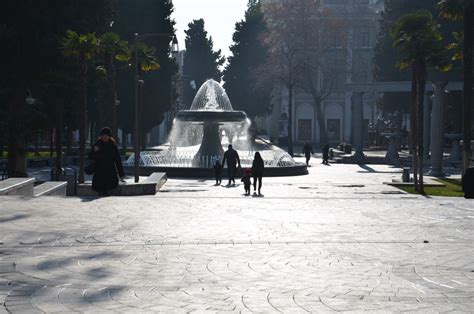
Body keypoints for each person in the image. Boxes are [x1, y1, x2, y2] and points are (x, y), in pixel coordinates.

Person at [88, 127, 125, 196]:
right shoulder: (97, 145)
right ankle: (101, 192)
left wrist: (121, 174)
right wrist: (95, 151)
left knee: (109, 188)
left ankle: (107, 192)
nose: (104, 137)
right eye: (103, 135)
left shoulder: (113, 146)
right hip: (99, 170)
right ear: (101, 136)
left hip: (110, 170)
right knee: (100, 188)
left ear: (109, 136)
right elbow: (90, 156)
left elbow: (118, 160)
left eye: (106, 135)